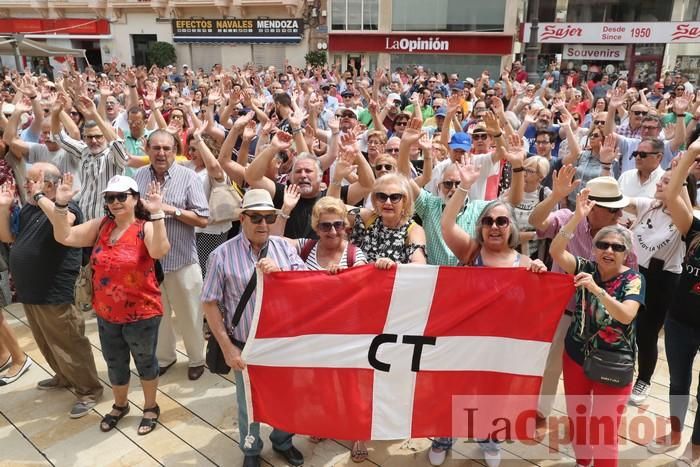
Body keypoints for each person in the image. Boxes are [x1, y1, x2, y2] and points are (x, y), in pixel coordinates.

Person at [432, 166, 546, 466]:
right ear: (480, 226)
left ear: (511, 227)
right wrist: (464, 187)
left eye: (501, 221)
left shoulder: (525, 264)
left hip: (499, 347)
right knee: (453, 391)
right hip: (463, 341)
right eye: (488, 221)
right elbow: (446, 225)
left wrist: (540, 277)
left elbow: (533, 309)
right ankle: (444, 437)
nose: (494, 226)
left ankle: (489, 439)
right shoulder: (471, 251)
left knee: (492, 395)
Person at [47, 173, 170, 435]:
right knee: (114, 361)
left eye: (121, 196)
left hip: (142, 312)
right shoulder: (102, 226)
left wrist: (158, 214)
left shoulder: (144, 227)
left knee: (145, 361)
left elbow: (159, 251)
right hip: (106, 312)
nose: (115, 202)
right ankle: (120, 404)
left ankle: (150, 407)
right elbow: (64, 236)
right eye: (110, 197)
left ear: (135, 199)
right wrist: (60, 206)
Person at [201, 189, 306, 467]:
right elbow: (210, 304)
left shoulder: (284, 248)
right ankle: (251, 449)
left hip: (283, 342)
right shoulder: (221, 255)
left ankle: (283, 441)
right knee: (248, 403)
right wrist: (227, 347)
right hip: (245, 343)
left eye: (269, 217)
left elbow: (307, 287)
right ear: (242, 217)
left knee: (286, 398)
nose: (263, 224)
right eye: (256, 217)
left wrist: (281, 274)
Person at [528, 172, 638, 425]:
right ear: (592, 207)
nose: (619, 216)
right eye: (614, 210)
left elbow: (631, 277)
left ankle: (589, 421)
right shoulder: (568, 218)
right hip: (563, 310)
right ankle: (542, 411)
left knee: (596, 370)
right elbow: (536, 221)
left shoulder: (623, 237)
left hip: (602, 318)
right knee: (551, 364)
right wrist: (556, 195)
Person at [549, 188, 644, 467]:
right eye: (603, 245)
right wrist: (577, 216)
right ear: (594, 249)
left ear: (626, 254)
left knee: (604, 433)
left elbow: (626, 315)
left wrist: (597, 291)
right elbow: (556, 250)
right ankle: (582, 463)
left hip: (613, 363)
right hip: (576, 354)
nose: (609, 251)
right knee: (578, 420)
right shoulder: (585, 267)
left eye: (617, 247)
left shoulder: (634, 280)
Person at [0, 162, 102, 415]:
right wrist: (3, 209)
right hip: (31, 292)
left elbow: (65, 220)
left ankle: (89, 390)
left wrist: (39, 197)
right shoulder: (28, 211)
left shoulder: (67, 208)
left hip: (56, 292)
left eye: (32, 180)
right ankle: (63, 376)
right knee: (46, 342)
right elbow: (7, 238)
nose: (26, 184)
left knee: (70, 343)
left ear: (49, 185)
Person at [134, 130, 210, 381]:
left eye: (167, 148)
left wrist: (170, 209)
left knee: (190, 315)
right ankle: (165, 357)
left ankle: (197, 359)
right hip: (150, 263)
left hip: (182, 261)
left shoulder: (188, 177)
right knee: (159, 316)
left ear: (175, 149)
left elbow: (203, 219)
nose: (161, 153)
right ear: (147, 149)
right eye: (156, 148)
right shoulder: (138, 176)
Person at [646, 140, 700, 463]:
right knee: (679, 382)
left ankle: (696, 449)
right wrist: (692, 154)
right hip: (679, 321)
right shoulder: (694, 230)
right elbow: (671, 192)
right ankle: (676, 432)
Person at [53, 95, 130, 220]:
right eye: (89, 137)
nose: (94, 141)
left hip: (108, 222)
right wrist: (55, 114)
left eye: (98, 136)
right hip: (84, 219)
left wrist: (95, 115)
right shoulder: (84, 151)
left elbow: (117, 145)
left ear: (105, 135)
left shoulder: (113, 156)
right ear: (84, 138)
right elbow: (59, 138)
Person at [349, 173, 427, 265]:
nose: (388, 202)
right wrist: (336, 181)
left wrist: (394, 266)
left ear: (405, 201)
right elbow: (333, 210)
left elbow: (420, 265)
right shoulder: (367, 217)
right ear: (375, 199)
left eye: (395, 197)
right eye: (382, 196)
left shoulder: (414, 230)